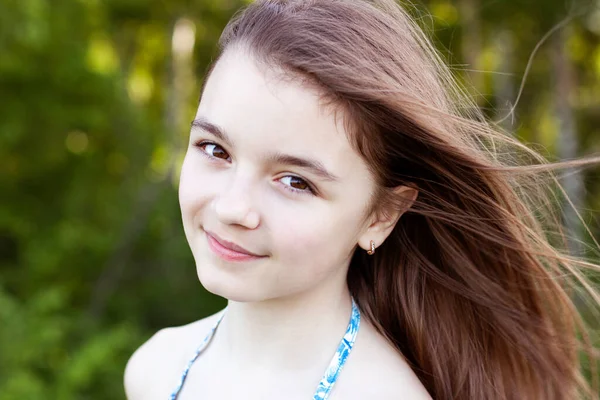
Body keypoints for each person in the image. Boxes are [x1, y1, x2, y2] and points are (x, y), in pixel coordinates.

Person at [124, 0, 600, 399]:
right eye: (215, 150)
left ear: (381, 215)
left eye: (295, 182)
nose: (232, 208)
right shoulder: (155, 368)